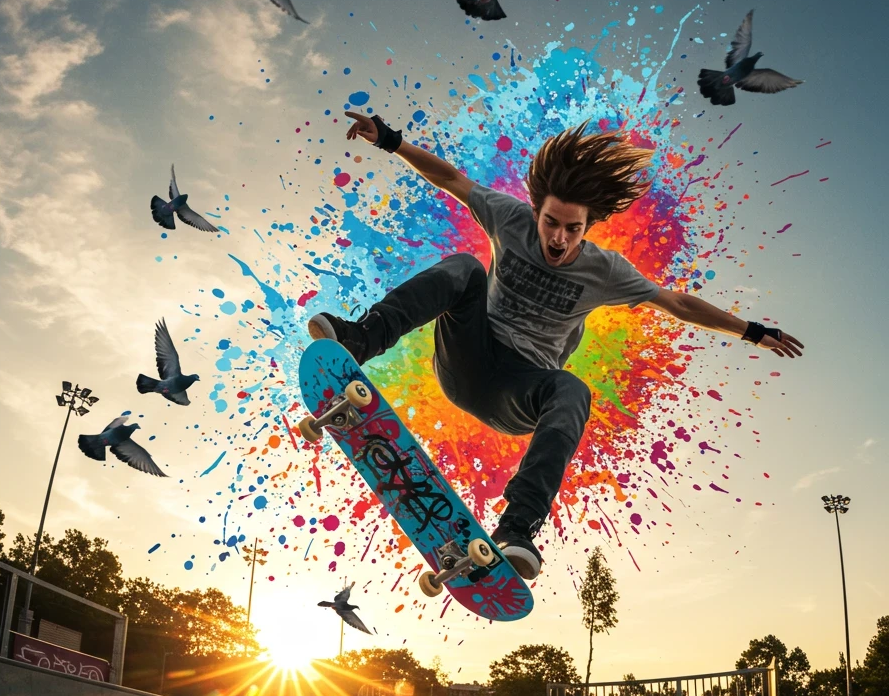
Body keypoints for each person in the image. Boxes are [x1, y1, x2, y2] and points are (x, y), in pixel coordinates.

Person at [308, 114, 804, 580]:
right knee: (465, 268)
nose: (559, 239)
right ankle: (358, 339)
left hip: (521, 392)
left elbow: (677, 303)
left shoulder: (605, 271)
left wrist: (752, 331)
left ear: (589, 227)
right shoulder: (507, 217)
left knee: (572, 389)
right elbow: (452, 180)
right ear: (536, 212)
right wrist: (391, 140)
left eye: (573, 229)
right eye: (551, 223)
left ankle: (518, 527)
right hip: (469, 357)